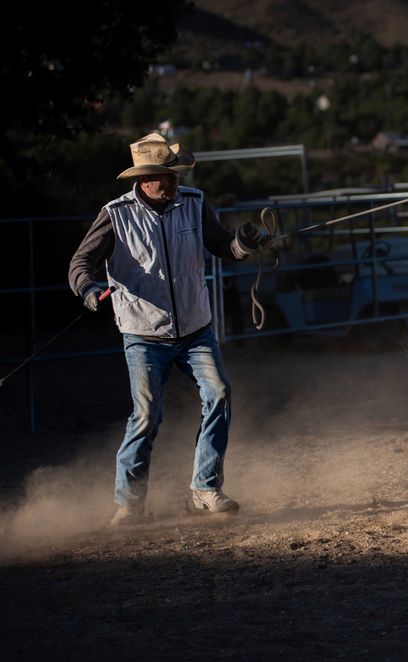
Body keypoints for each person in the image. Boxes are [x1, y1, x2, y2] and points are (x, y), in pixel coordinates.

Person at [68, 132, 270, 527]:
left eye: (175, 174)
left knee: (220, 393)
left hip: (195, 328)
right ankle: (130, 503)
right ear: (144, 180)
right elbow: (81, 262)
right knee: (146, 415)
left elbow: (223, 246)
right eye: (167, 175)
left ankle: (205, 487)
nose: (175, 181)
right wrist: (88, 289)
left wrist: (244, 245)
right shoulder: (116, 215)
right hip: (143, 334)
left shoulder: (193, 203)